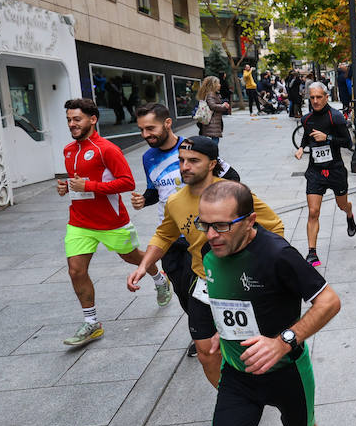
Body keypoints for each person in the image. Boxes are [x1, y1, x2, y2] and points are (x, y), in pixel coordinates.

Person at [195, 181, 340, 426]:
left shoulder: (277, 254)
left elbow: (329, 301)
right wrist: (209, 328)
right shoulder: (210, 248)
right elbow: (209, 289)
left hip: (285, 371)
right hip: (238, 375)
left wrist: (284, 341)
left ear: (250, 221)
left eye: (222, 226)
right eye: (204, 224)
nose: (211, 235)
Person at [128, 137, 285, 386]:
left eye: (193, 161)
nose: (184, 166)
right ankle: (229, 396)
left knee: (247, 347)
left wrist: (257, 266)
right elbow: (164, 234)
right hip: (204, 282)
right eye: (181, 160)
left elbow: (274, 226)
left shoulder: (235, 194)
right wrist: (144, 264)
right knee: (206, 352)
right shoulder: (175, 201)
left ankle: (257, 390)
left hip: (241, 283)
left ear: (212, 164)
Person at [131, 103, 237, 357]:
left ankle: (214, 331)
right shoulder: (148, 158)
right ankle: (203, 328)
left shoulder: (194, 149)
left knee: (205, 285)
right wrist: (145, 200)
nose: (146, 135)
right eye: (142, 130)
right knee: (182, 290)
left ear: (167, 123)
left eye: (150, 128)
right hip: (170, 234)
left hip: (199, 234)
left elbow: (232, 179)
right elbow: (156, 191)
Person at [57, 98, 156, 348]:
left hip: (111, 221)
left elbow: (127, 183)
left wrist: (88, 186)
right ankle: (92, 323)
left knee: (132, 257)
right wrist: (65, 187)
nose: (72, 124)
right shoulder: (68, 150)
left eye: (76, 119)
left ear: (92, 119)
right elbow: (77, 182)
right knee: (76, 270)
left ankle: (159, 277)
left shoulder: (107, 149)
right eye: (69, 120)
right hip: (79, 221)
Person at [294, 82, 356, 267]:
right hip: (315, 171)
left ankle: (349, 213)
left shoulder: (335, 117)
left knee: (342, 204)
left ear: (326, 97)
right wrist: (301, 147)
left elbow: (347, 142)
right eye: (312, 97)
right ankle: (312, 253)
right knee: (313, 211)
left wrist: (327, 138)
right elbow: (307, 136)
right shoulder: (306, 119)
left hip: (335, 170)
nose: (315, 100)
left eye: (318, 97)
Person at [196, 76, 231, 143]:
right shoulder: (211, 94)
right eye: (218, 83)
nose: (219, 85)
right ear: (213, 85)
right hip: (212, 120)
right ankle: (211, 152)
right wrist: (223, 106)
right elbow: (212, 106)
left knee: (211, 137)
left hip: (213, 120)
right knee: (214, 138)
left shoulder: (214, 94)